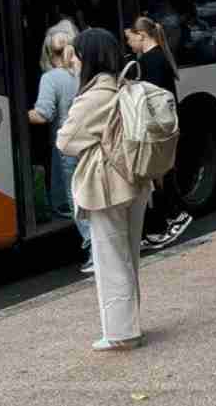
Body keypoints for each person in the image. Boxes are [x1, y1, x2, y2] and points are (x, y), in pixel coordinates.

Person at [57, 29, 152, 350]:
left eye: (77, 54)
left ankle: (121, 332)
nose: (74, 60)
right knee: (128, 256)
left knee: (111, 257)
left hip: (107, 184)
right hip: (137, 180)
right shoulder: (125, 84)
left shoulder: (93, 95)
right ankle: (129, 323)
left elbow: (66, 141)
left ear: (88, 57)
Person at [124, 17, 194, 251]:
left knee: (160, 175)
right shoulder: (160, 57)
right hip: (165, 126)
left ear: (141, 35)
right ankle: (169, 220)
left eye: (130, 39)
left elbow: (147, 98)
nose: (129, 44)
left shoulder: (149, 61)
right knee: (161, 173)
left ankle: (173, 218)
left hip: (157, 128)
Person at [28, 27, 92, 271]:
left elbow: (43, 115)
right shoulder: (81, 72)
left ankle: (93, 251)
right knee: (90, 197)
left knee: (76, 201)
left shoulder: (51, 78)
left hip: (68, 146)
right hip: (89, 141)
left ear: (46, 51)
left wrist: (18, 115)